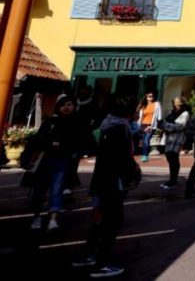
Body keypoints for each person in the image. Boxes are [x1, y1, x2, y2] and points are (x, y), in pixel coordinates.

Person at [73, 94, 141, 278]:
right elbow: (120, 159)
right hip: (112, 183)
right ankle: (100, 263)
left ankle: (86, 255)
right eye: (135, 109)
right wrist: (133, 171)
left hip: (103, 181)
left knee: (101, 221)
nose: (137, 112)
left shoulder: (109, 126)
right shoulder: (120, 130)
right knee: (112, 223)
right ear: (128, 111)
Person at [24, 94, 79, 231]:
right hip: (45, 159)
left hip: (62, 160)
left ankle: (53, 220)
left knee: (56, 190)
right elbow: (38, 140)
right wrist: (50, 144)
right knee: (39, 190)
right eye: (63, 105)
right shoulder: (49, 122)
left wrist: (73, 151)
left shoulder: (76, 123)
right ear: (58, 107)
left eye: (69, 105)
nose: (66, 108)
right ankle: (37, 217)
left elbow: (80, 142)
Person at [160, 97, 191, 190]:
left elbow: (180, 126)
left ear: (182, 102)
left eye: (178, 101)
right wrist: (163, 124)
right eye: (174, 101)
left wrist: (165, 125)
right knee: (169, 157)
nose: (175, 102)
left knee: (173, 157)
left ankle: (174, 180)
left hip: (178, 137)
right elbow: (166, 121)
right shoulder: (172, 112)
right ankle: (171, 179)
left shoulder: (185, 113)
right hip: (169, 137)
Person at [136, 91, 162, 162]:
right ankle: (143, 153)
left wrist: (156, 125)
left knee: (146, 140)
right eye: (149, 96)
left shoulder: (157, 104)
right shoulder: (142, 105)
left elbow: (159, 117)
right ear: (146, 97)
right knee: (143, 141)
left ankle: (145, 155)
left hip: (151, 125)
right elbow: (138, 115)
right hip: (142, 125)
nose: (151, 97)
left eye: (152, 96)